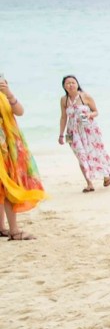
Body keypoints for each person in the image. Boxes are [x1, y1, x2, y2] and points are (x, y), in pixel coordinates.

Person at [0, 74, 46, 240]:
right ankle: (14, 231)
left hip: (7, 148)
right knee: (7, 186)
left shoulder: (4, 96)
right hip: (3, 149)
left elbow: (20, 112)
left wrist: (9, 94)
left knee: (4, 187)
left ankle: (3, 228)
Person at [57, 75, 110, 193]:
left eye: (73, 82)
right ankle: (89, 184)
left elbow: (96, 112)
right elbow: (63, 117)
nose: (70, 85)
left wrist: (89, 115)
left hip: (89, 130)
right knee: (81, 157)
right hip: (72, 132)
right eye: (67, 83)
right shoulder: (64, 99)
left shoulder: (85, 96)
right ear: (64, 86)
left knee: (95, 153)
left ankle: (106, 173)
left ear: (77, 84)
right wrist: (61, 134)